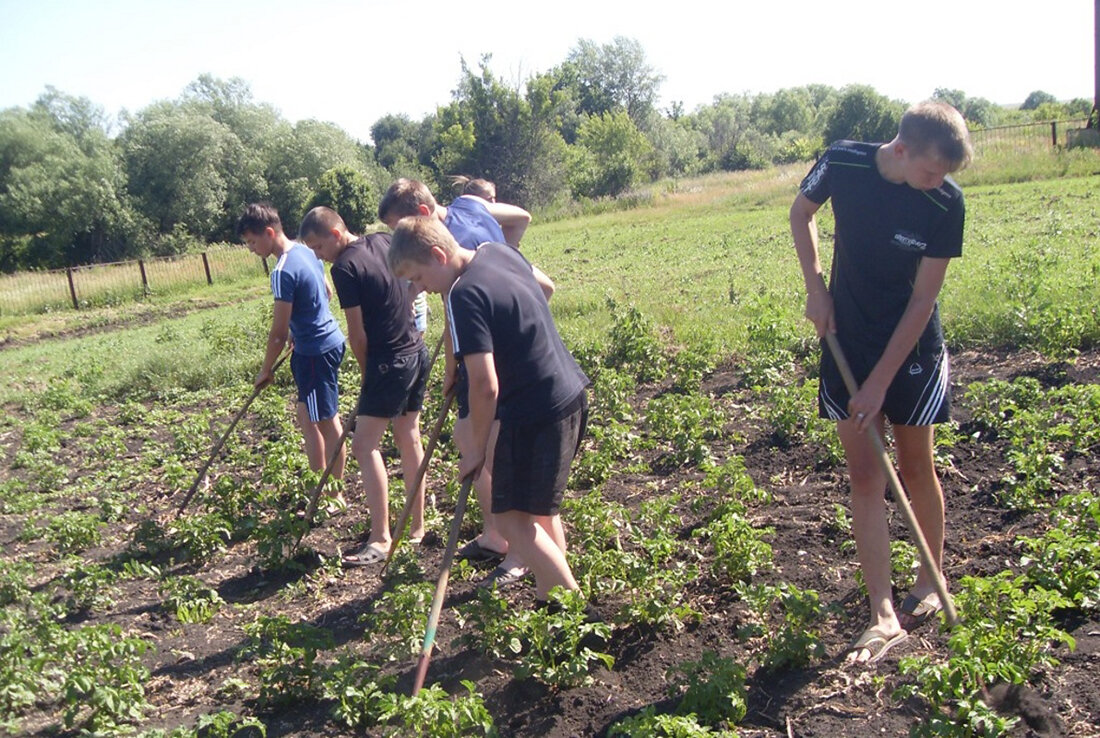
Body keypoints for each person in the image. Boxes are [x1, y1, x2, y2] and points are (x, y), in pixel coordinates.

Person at [789, 101, 973, 664]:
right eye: (928, 171)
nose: (935, 183)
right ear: (900, 150)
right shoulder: (844, 162)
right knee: (865, 472)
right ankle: (882, 612)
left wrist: (879, 384)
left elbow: (924, 299)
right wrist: (815, 288)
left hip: (912, 347)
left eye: (943, 175)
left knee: (916, 466)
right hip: (848, 336)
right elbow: (801, 214)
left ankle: (927, 581)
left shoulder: (946, 202)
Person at [387, 215, 589, 607]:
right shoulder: (496, 251)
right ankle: (551, 599)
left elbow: (483, 384)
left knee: (514, 519)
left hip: (534, 411)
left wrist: (477, 450)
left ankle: (576, 613)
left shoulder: (462, 296)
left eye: (418, 277)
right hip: (569, 393)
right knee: (538, 511)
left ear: (437, 254)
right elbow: (543, 287)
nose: (418, 289)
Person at [378, 178, 545, 588]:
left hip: (488, 355)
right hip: (477, 349)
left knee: (484, 448)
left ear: (421, 217)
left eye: (399, 226)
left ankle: (516, 551)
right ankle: (495, 535)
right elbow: (520, 221)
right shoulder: (468, 207)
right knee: (466, 436)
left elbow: (463, 302)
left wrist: (469, 356)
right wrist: (454, 361)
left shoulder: (452, 244)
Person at [298, 206, 430, 565]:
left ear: (337, 233)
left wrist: (366, 371)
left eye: (319, 247)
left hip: (388, 359)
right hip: (416, 350)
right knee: (409, 435)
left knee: (364, 445)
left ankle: (381, 538)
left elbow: (357, 332)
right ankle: (416, 528)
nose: (319, 257)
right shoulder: (384, 240)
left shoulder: (344, 268)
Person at [238, 203, 347, 504]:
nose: (251, 249)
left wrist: (265, 369)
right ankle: (320, 486)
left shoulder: (282, 270)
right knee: (306, 414)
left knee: (326, 422)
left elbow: (276, 333)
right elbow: (325, 291)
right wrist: (302, 328)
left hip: (314, 353)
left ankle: (332, 495)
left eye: (252, 241)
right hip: (329, 341)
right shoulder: (306, 250)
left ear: (269, 232)